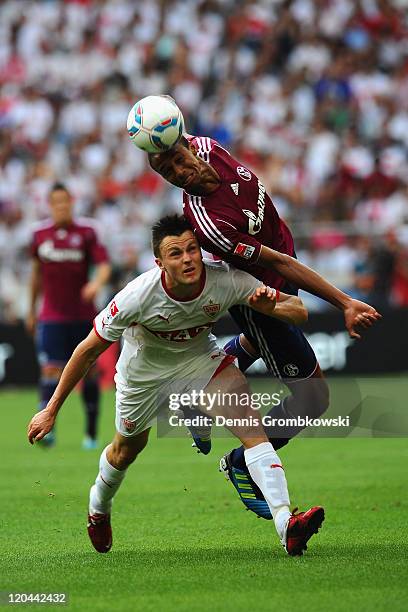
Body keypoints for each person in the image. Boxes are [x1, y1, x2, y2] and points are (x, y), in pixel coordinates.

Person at [27, 214, 324, 557]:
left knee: (249, 426)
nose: (187, 259)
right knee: (126, 450)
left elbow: (299, 311)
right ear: (160, 262)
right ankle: (98, 507)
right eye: (176, 253)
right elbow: (88, 350)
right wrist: (50, 410)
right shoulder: (137, 296)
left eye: (192, 249)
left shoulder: (226, 281)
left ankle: (287, 524)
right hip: (143, 375)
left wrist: (273, 306)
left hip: (200, 361)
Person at [147, 130, 382, 519]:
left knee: (251, 347)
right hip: (263, 301)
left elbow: (170, 119)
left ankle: (193, 394)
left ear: (186, 144)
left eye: (175, 160)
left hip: (282, 267)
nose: (177, 173)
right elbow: (276, 263)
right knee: (314, 399)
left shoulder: (208, 147)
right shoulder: (208, 223)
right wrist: (344, 301)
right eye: (165, 172)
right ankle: (242, 461)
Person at [27, 183, 111, 449]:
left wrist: (96, 284)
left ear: (71, 202)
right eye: (56, 202)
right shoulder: (39, 235)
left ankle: (91, 433)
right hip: (52, 315)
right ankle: (46, 430)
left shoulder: (87, 232)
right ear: (50, 204)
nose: (61, 206)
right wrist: (31, 309)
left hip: (83, 314)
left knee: (90, 371)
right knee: (51, 368)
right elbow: (36, 275)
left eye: (65, 201)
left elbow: (104, 266)